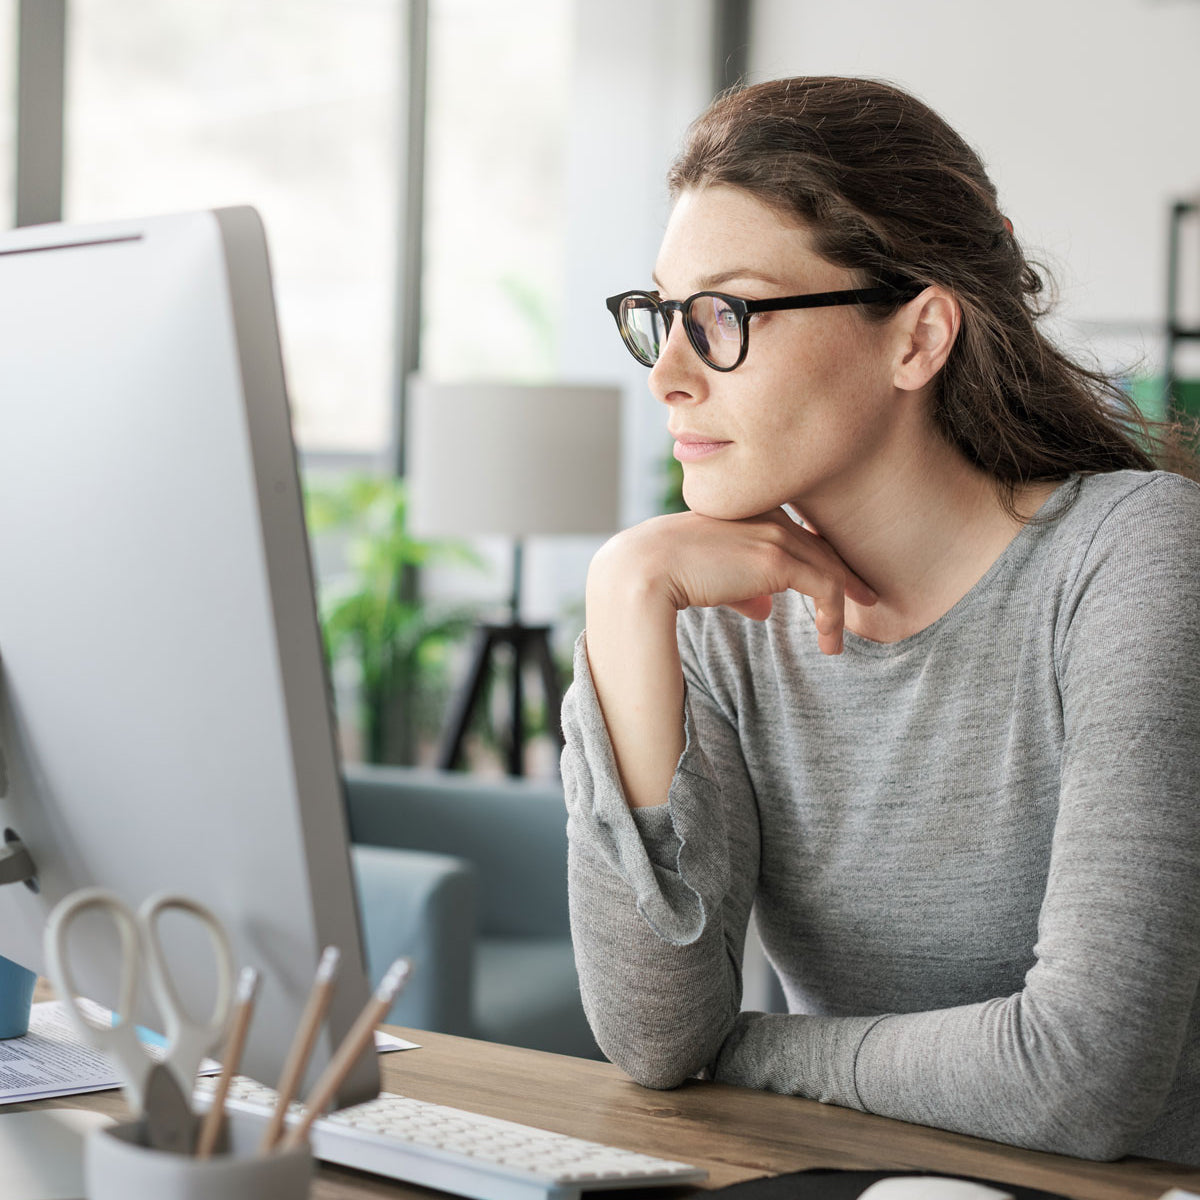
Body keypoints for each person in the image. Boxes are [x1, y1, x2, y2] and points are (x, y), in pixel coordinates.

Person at [560, 76, 1200, 1165]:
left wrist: (758, 1051)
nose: (668, 373)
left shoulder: (1135, 556)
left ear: (918, 337)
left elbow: (1086, 1078)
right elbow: (659, 1038)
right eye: (663, 316)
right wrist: (624, 599)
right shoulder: (706, 612)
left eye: (724, 316)